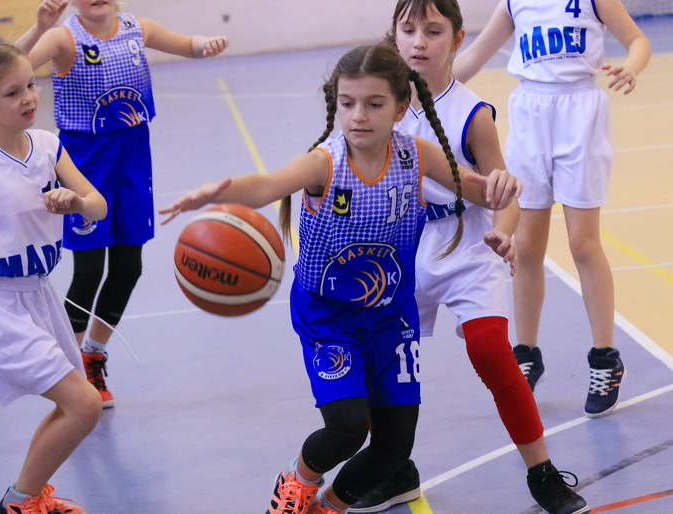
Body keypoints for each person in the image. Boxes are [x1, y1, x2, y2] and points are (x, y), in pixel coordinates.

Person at [160, 42, 520, 514]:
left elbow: (486, 192)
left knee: (394, 448)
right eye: (348, 103)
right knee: (348, 427)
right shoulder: (324, 163)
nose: (359, 116)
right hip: (328, 317)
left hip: (391, 316)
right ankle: (297, 481)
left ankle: (328, 506)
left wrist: (503, 189)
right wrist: (216, 192)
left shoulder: (417, 155)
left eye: (374, 104)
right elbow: (266, 186)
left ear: (400, 108)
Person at [348, 2, 590, 514]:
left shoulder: (473, 113)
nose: (419, 41)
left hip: (467, 242)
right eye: (408, 29)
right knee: (376, 360)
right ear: (394, 35)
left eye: (433, 31)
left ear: (457, 40)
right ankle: (395, 469)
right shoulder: (378, 104)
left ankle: (543, 474)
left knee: (490, 351)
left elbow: (505, 192)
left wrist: (504, 233)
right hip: (402, 245)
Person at [14, 0, 229, 408]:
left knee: (129, 267)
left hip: (132, 158)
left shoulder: (137, 27)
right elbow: (9, 67)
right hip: (85, 161)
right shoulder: (63, 38)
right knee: (89, 271)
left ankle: (93, 355)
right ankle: (70, 371)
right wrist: (40, 27)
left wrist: (206, 44)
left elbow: (188, 45)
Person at [452, 0, 651, 418]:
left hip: (581, 113)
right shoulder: (514, 3)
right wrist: (416, 86)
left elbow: (638, 41)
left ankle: (605, 357)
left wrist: (632, 67)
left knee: (583, 244)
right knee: (525, 246)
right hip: (530, 114)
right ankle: (526, 353)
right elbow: (471, 59)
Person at [0, 41, 107, 514]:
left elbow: (97, 205)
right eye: (12, 93)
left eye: (31, 84)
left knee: (74, 406)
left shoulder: (48, 145)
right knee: (85, 404)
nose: (29, 97)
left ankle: (23, 500)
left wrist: (76, 202)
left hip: (40, 295)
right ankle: (20, 502)